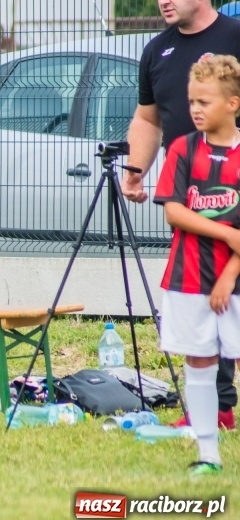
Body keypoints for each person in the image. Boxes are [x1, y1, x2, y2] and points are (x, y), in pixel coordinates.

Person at [121, 0, 240, 430]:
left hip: (235, 192)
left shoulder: (234, 36)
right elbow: (148, 119)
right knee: (207, 308)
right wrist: (136, 169)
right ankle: (216, 410)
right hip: (194, 205)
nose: (163, 1)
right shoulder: (156, 51)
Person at [152, 55, 240, 475]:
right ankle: (208, 455)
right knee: (200, 362)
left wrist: (229, 273)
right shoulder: (183, 149)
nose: (195, 109)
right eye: (191, 101)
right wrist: (226, 233)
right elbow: (174, 211)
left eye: (204, 101)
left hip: (234, 281)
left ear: (233, 103)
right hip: (188, 278)